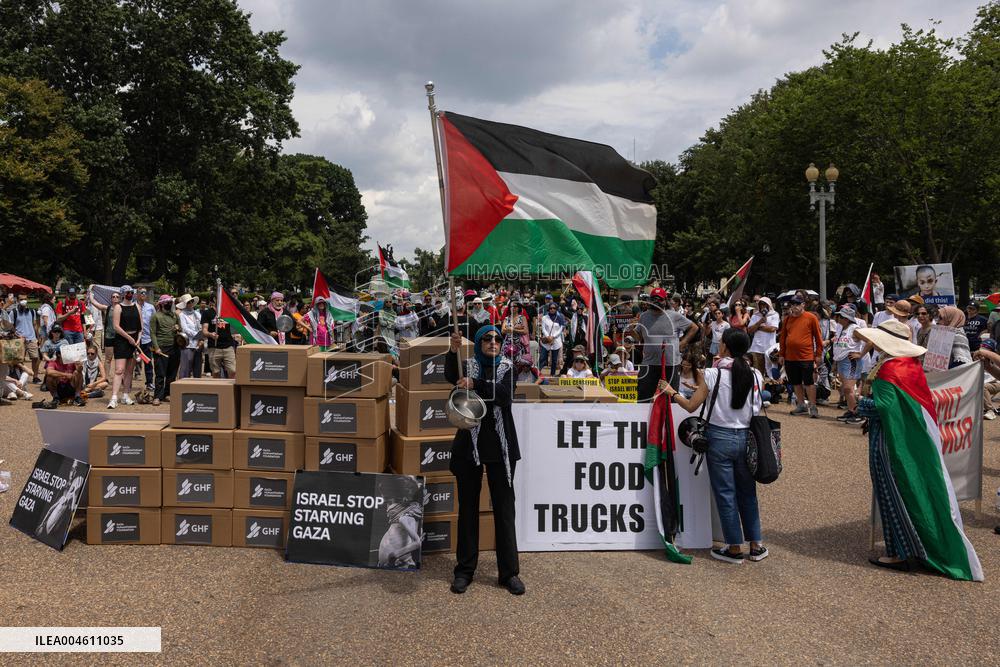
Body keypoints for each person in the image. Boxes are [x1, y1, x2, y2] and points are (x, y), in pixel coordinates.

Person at [855, 320, 982, 580]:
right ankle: (915, 547)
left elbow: (885, 408)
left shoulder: (890, 369)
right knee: (908, 491)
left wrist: (860, 403)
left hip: (890, 442)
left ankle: (900, 552)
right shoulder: (908, 365)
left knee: (892, 492)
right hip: (903, 439)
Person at [662, 328, 766, 564]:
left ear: (724, 347)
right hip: (747, 437)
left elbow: (690, 406)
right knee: (748, 493)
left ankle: (733, 547)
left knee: (725, 493)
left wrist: (673, 393)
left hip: (719, 437)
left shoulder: (712, 374)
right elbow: (757, 408)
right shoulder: (755, 374)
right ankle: (756, 544)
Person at [445, 326, 523, 595]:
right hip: (470, 445)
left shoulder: (508, 367)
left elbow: (504, 395)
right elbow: (450, 376)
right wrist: (453, 350)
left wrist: (475, 384)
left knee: (504, 509)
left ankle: (509, 573)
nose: (493, 342)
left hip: (501, 447)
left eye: (497, 339)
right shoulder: (467, 365)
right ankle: (465, 570)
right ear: (479, 343)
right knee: (468, 508)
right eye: (487, 339)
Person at [634, 287, 696, 401]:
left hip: (670, 364)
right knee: (643, 397)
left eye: (660, 299)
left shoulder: (674, 315)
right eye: (653, 299)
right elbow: (638, 336)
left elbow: (694, 327)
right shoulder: (644, 316)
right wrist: (632, 331)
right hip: (649, 363)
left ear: (665, 300)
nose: (656, 301)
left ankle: (669, 419)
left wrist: (683, 342)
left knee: (671, 399)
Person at [778, 295, 823, 418]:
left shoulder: (811, 318)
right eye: (792, 305)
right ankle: (801, 404)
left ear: (803, 304)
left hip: (806, 356)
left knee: (809, 382)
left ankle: (813, 406)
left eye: (797, 304)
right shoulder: (787, 319)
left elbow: (818, 338)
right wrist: (781, 354)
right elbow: (783, 338)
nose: (794, 307)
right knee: (795, 382)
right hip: (790, 357)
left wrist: (818, 355)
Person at [831, 306, 865, 424]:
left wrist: (860, 354)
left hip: (851, 361)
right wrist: (835, 363)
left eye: (840, 316)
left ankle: (858, 413)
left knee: (848, 388)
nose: (837, 318)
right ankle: (851, 410)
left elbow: (870, 341)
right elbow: (838, 346)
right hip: (841, 361)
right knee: (845, 389)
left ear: (846, 318)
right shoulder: (841, 328)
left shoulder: (855, 329)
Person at [109, 285, 141, 409]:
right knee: (119, 370)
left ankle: (126, 394)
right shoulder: (118, 307)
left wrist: (137, 339)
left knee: (129, 370)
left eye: (131, 292)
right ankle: (114, 397)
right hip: (122, 340)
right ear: (123, 294)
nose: (130, 294)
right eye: (128, 292)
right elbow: (116, 326)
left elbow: (141, 327)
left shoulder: (137, 306)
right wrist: (129, 338)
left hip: (134, 341)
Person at [150, 294, 181, 405]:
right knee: (160, 373)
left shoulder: (175, 316)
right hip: (161, 347)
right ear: (162, 304)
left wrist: (178, 328)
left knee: (172, 373)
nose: (169, 304)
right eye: (167, 302)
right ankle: (157, 396)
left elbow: (180, 330)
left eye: (170, 302)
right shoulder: (156, 316)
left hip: (175, 347)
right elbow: (152, 333)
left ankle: (167, 394)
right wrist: (156, 347)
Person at [6, 293, 41, 382]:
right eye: (21, 299)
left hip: (31, 338)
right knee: (19, 360)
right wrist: (18, 335)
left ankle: (35, 377)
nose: (23, 301)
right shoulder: (14, 312)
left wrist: (38, 337)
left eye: (25, 299)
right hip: (19, 340)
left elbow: (34, 325)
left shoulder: (32, 311)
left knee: (36, 358)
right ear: (17, 301)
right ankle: (21, 377)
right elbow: (10, 326)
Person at [201, 295, 237, 378]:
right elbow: (204, 331)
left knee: (233, 371)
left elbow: (236, 325)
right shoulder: (207, 313)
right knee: (216, 372)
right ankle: (219, 390)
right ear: (214, 299)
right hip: (214, 347)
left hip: (228, 346)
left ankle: (231, 390)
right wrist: (210, 334)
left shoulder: (228, 311)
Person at [42, 343, 85, 408]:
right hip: (59, 387)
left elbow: (79, 371)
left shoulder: (72, 361)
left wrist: (79, 366)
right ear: (59, 354)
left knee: (77, 373)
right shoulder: (53, 362)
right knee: (49, 377)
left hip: (70, 386)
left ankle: (77, 397)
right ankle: (56, 398)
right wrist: (65, 374)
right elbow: (49, 371)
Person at [747, 297, 779, 374]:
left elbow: (772, 329)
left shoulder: (774, 315)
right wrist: (760, 321)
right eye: (761, 304)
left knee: (771, 372)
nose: (763, 306)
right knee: (758, 371)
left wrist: (758, 327)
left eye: (765, 304)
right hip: (757, 348)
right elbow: (750, 330)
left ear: (769, 305)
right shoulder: (755, 315)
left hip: (770, 348)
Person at [176, 294, 202, 379]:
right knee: (185, 369)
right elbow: (184, 329)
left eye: (191, 301)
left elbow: (201, 326)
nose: (190, 303)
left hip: (198, 344)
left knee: (197, 369)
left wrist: (200, 337)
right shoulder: (182, 315)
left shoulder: (197, 314)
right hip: (188, 344)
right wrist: (197, 335)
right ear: (185, 304)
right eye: (188, 302)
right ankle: (182, 387)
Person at [136, 288, 156, 389]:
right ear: (137, 294)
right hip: (134, 340)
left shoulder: (151, 307)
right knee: (131, 361)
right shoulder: (133, 306)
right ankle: (126, 382)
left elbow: (154, 322)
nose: (143, 294)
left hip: (147, 339)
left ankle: (149, 382)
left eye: (145, 293)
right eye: (141, 292)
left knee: (148, 361)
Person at [539, 302, 565, 376]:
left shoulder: (560, 318)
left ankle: (552, 374)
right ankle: (537, 373)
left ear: (556, 309)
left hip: (556, 340)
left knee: (554, 360)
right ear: (548, 309)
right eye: (550, 308)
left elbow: (561, 329)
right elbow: (543, 328)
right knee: (542, 358)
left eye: (554, 308)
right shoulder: (544, 317)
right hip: (546, 340)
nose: (552, 310)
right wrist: (548, 336)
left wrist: (553, 336)